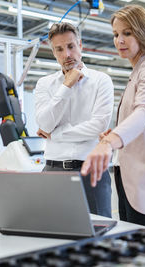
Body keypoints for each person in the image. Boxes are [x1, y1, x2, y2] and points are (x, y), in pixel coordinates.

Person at [81, 5, 145, 231]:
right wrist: (114, 133)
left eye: (127, 33)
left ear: (142, 33)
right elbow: (137, 120)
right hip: (130, 176)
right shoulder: (137, 71)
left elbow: (144, 113)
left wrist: (110, 141)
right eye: (116, 34)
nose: (119, 40)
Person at [34, 22, 114, 218]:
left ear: (80, 45)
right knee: (52, 231)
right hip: (53, 171)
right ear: (53, 52)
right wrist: (66, 86)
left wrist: (56, 134)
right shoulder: (44, 84)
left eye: (71, 46)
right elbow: (44, 124)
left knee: (98, 232)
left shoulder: (101, 81)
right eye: (59, 49)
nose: (66, 55)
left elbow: (98, 125)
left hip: (91, 170)